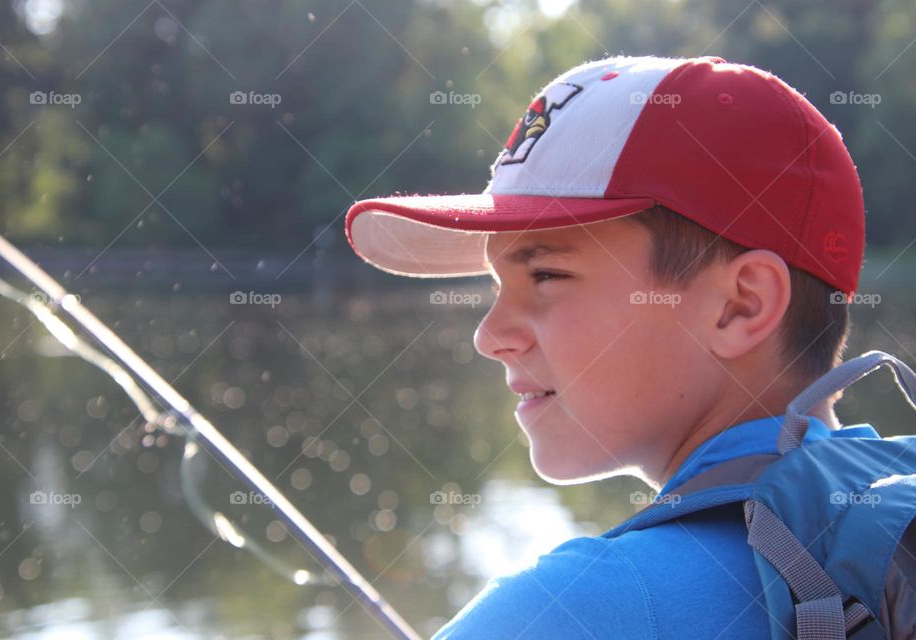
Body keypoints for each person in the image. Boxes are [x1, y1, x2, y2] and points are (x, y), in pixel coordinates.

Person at [345, 55, 871, 638]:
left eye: (545, 276)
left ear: (739, 305)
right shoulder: (888, 534)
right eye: (497, 286)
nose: (489, 336)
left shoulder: (575, 609)